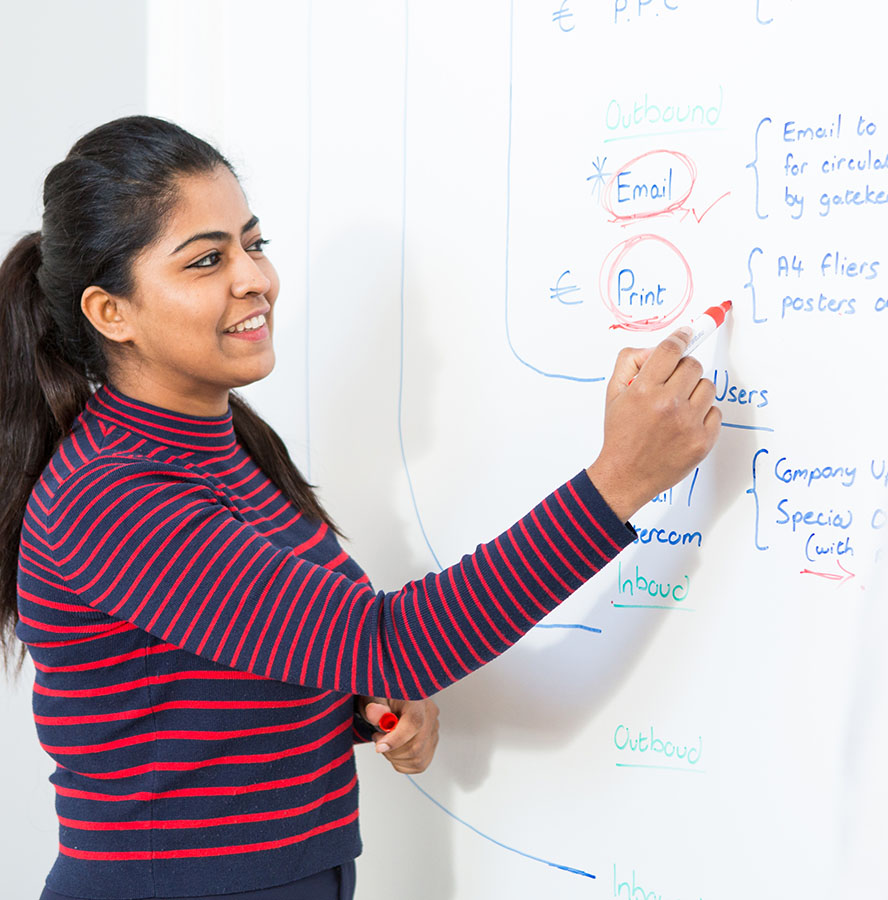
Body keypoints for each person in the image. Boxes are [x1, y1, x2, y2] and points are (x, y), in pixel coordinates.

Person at [0, 115, 721, 900]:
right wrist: (618, 482)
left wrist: (353, 703)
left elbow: (231, 661)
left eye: (254, 243)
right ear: (111, 313)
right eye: (207, 259)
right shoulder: (112, 496)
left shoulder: (227, 443)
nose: (254, 278)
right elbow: (391, 640)